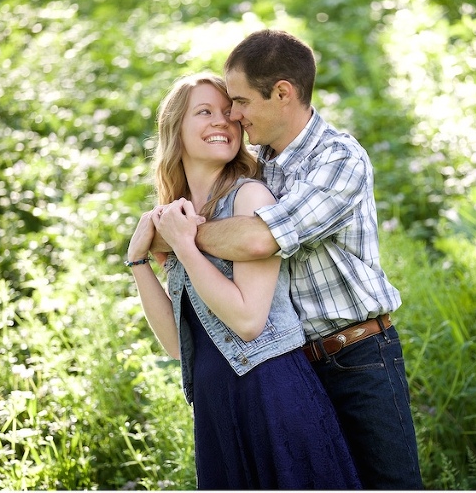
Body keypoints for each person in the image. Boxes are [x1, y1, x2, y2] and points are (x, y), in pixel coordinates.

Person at [152, 30, 423, 489]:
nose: (232, 115)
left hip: (357, 357)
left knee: (388, 484)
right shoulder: (261, 163)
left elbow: (261, 239)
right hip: (293, 364)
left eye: (238, 101)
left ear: (282, 93)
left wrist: (180, 233)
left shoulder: (338, 159)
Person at [127, 72, 361, 489]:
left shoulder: (249, 198)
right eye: (204, 112)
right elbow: (176, 345)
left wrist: (185, 247)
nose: (223, 121)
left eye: (228, 113)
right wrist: (138, 261)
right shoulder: (177, 215)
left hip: (270, 394)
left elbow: (249, 320)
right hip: (216, 403)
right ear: (174, 129)